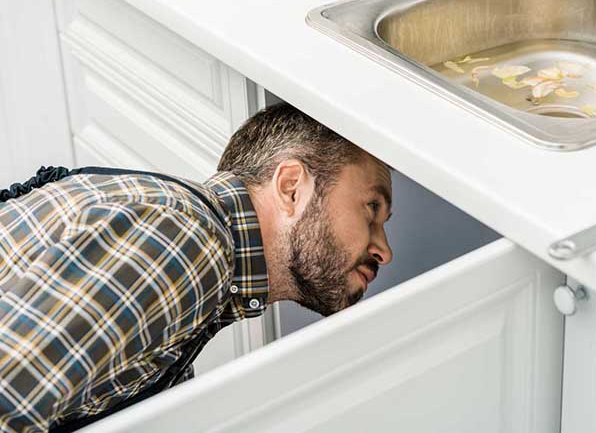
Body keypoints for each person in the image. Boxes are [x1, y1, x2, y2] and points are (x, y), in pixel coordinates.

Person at [0, 102, 393, 432]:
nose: (384, 250)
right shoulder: (183, 242)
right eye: (372, 209)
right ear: (292, 187)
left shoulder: (188, 239)